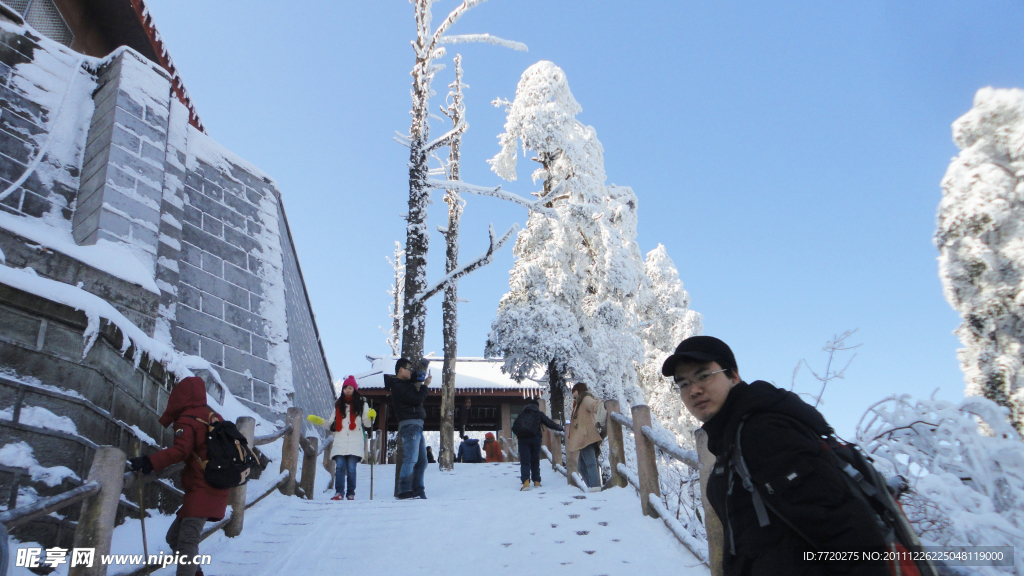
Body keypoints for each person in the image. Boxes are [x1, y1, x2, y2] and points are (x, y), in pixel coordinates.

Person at [662, 336, 890, 576]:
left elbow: (848, 530)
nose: (694, 390)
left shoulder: (764, 433)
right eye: (684, 384)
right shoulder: (731, 442)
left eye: (703, 375)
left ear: (734, 376)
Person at [128, 376, 226, 576]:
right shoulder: (212, 415)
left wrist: (150, 462)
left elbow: (181, 451)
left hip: (203, 487)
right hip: (218, 484)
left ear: (180, 397)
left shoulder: (188, 419)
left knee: (187, 541)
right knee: (174, 537)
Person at [307, 375, 374, 500]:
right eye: (345, 388)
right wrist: (320, 421)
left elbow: (367, 423)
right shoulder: (339, 404)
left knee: (352, 468)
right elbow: (332, 425)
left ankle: (350, 493)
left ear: (354, 389)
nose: (347, 390)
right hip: (340, 441)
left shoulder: (362, 403)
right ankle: (339, 492)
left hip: (355, 441)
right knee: (340, 467)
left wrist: (371, 416)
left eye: (350, 388)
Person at [387, 358, 432, 499]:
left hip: (417, 424)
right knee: (411, 459)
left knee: (422, 461)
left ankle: (418, 489)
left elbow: (415, 377)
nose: (411, 371)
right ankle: (404, 489)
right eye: (408, 369)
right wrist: (425, 386)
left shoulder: (404, 384)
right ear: (401, 370)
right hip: (409, 424)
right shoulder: (398, 385)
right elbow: (417, 399)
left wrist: (422, 369)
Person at [512, 399, 564, 490]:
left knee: (525, 461)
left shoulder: (522, 414)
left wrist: (521, 435)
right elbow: (550, 423)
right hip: (535, 439)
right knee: (535, 461)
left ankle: (526, 482)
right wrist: (561, 428)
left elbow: (514, 427)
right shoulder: (538, 413)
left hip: (523, 440)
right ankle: (536, 481)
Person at [566, 382, 602, 491]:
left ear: (578, 390)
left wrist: (603, 406)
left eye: (574, 391)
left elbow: (595, 405)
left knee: (590, 464)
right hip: (583, 437)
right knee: (581, 467)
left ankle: (595, 488)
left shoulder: (585, 399)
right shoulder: (579, 402)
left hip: (586, 436)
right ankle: (592, 487)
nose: (572, 394)